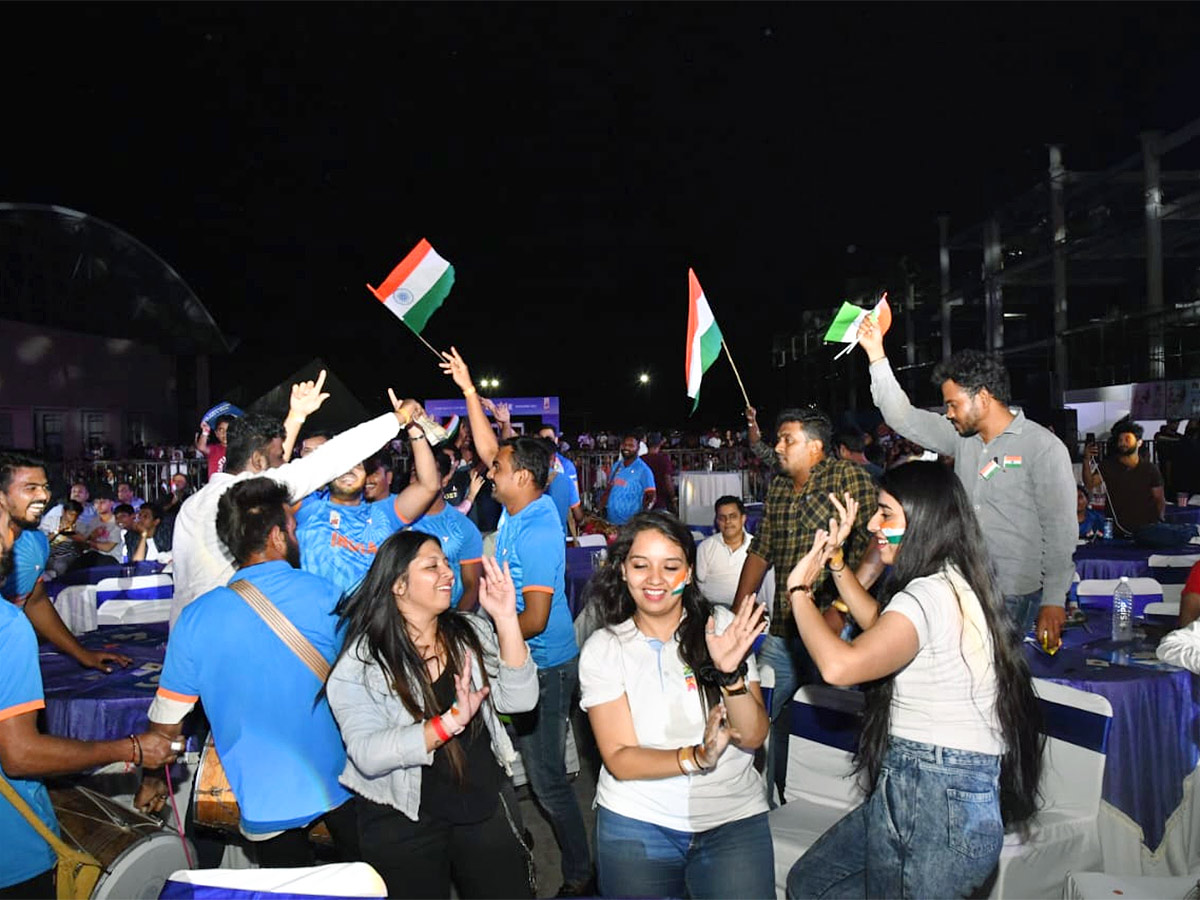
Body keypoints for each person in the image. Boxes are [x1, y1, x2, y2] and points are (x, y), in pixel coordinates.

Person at [783, 463, 1042, 899]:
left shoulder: (927, 594)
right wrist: (837, 562)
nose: (871, 525)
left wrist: (798, 592)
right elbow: (883, 628)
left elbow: (839, 668)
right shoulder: (953, 580)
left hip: (932, 790)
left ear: (921, 519)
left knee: (811, 886)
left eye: (885, 513)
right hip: (939, 787)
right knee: (811, 882)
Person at [136, 478, 358, 864]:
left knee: (290, 889)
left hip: (264, 798)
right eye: (292, 528)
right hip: (342, 785)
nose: (296, 536)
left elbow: (167, 727)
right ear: (276, 536)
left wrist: (153, 782)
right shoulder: (325, 595)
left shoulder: (196, 619)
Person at [441, 346, 592, 895]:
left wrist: (477, 635)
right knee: (516, 764)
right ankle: (525, 842)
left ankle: (579, 875)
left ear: (524, 477)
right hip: (519, 661)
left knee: (549, 783)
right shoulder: (516, 505)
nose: (489, 469)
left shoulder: (536, 526)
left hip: (545, 668)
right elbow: (489, 447)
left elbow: (534, 617)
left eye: (499, 470)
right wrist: (467, 389)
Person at [326, 533, 537, 899]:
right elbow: (367, 753)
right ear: (398, 584)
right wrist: (449, 722)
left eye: (445, 563)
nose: (449, 573)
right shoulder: (363, 662)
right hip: (402, 816)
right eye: (432, 565)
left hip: (479, 801)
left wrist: (506, 619)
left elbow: (521, 701)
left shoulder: (470, 631)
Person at [580, 512, 773, 899]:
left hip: (732, 817)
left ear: (688, 573)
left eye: (670, 566)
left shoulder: (719, 626)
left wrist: (730, 674)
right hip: (637, 821)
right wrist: (697, 757)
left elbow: (752, 735)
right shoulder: (605, 648)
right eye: (640, 565)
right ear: (622, 571)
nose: (655, 580)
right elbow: (619, 757)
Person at [857, 312, 1077, 649]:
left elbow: (1060, 531)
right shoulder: (961, 439)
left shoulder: (1042, 448)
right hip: (963, 585)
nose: (948, 413)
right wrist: (876, 354)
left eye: (953, 404)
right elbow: (902, 416)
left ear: (984, 398)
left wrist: (1054, 600)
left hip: (1014, 595)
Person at [0, 489, 177, 898]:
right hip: (12, 853)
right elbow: (20, 754)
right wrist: (131, 748)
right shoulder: (8, 628)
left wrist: (80, 653)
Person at [170, 370, 422, 626]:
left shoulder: (192, 503)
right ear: (258, 460)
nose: (285, 463)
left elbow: (268, 455)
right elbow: (334, 456)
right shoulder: (246, 498)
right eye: (281, 458)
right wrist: (399, 417)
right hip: (230, 628)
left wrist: (296, 416)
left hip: (186, 627)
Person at [732, 406, 879, 805]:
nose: (777, 447)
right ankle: (762, 803)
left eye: (787, 440)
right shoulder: (779, 487)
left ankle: (847, 804)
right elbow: (761, 551)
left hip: (834, 630)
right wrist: (738, 610)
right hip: (782, 629)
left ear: (815, 447)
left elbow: (876, 546)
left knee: (840, 723)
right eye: (778, 439)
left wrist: (843, 610)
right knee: (762, 716)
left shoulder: (847, 478)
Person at [1, 453, 130, 672]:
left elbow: (34, 601)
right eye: (31, 487)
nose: (43, 495)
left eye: (45, 486)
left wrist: (82, 654)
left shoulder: (36, 542)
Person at [294, 422, 440, 598]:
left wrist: (414, 428)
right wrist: (296, 417)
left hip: (370, 621)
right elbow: (265, 485)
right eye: (341, 466)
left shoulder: (383, 513)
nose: (348, 470)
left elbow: (429, 486)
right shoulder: (305, 509)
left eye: (357, 465)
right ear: (328, 473)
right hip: (317, 621)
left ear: (366, 476)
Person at [1083, 418, 1195, 548]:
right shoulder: (1108, 465)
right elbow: (1089, 484)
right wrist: (1086, 459)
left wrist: (1159, 519)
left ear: (1139, 442)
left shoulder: (1150, 468)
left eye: (1127, 439)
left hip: (1147, 531)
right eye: (1120, 440)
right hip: (1118, 531)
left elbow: (1159, 498)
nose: (1123, 443)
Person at [407, 450, 485, 611]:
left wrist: (455, 626)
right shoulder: (396, 520)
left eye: (428, 473)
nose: (421, 480)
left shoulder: (462, 527)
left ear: (445, 480)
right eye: (415, 473)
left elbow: (472, 586)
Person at [696, 496, 755, 607]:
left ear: (743, 519)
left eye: (733, 517)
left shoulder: (757, 547)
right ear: (717, 521)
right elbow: (699, 584)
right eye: (722, 518)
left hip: (746, 608)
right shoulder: (706, 547)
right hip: (712, 610)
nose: (727, 522)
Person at [601, 435, 656, 525]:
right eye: (624, 445)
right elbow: (609, 488)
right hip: (611, 523)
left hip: (630, 524)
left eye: (631, 445)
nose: (626, 448)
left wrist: (642, 518)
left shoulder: (643, 470)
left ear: (637, 448)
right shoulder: (616, 466)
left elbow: (651, 497)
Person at [45, 499, 85, 578]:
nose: (73, 518)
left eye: (76, 515)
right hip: (49, 553)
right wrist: (57, 532)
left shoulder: (80, 526)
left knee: (60, 565)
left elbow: (83, 546)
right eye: (70, 514)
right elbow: (43, 541)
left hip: (67, 556)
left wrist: (74, 534)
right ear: (64, 512)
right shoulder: (50, 521)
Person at [642, 431, 677, 513]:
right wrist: (673, 497)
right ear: (659, 444)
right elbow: (667, 480)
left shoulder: (641, 460)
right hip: (660, 502)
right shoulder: (664, 459)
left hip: (644, 502)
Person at [129, 500, 172, 564]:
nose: (141, 519)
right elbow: (137, 563)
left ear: (156, 521)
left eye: (145, 516)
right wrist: (143, 535)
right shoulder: (132, 537)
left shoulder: (167, 535)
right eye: (139, 515)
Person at [195, 413, 236, 477]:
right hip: (216, 485)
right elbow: (201, 447)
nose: (224, 433)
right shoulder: (214, 449)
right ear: (216, 433)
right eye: (221, 430)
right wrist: (205, 431)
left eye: (229, 430)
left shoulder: (239, 449)